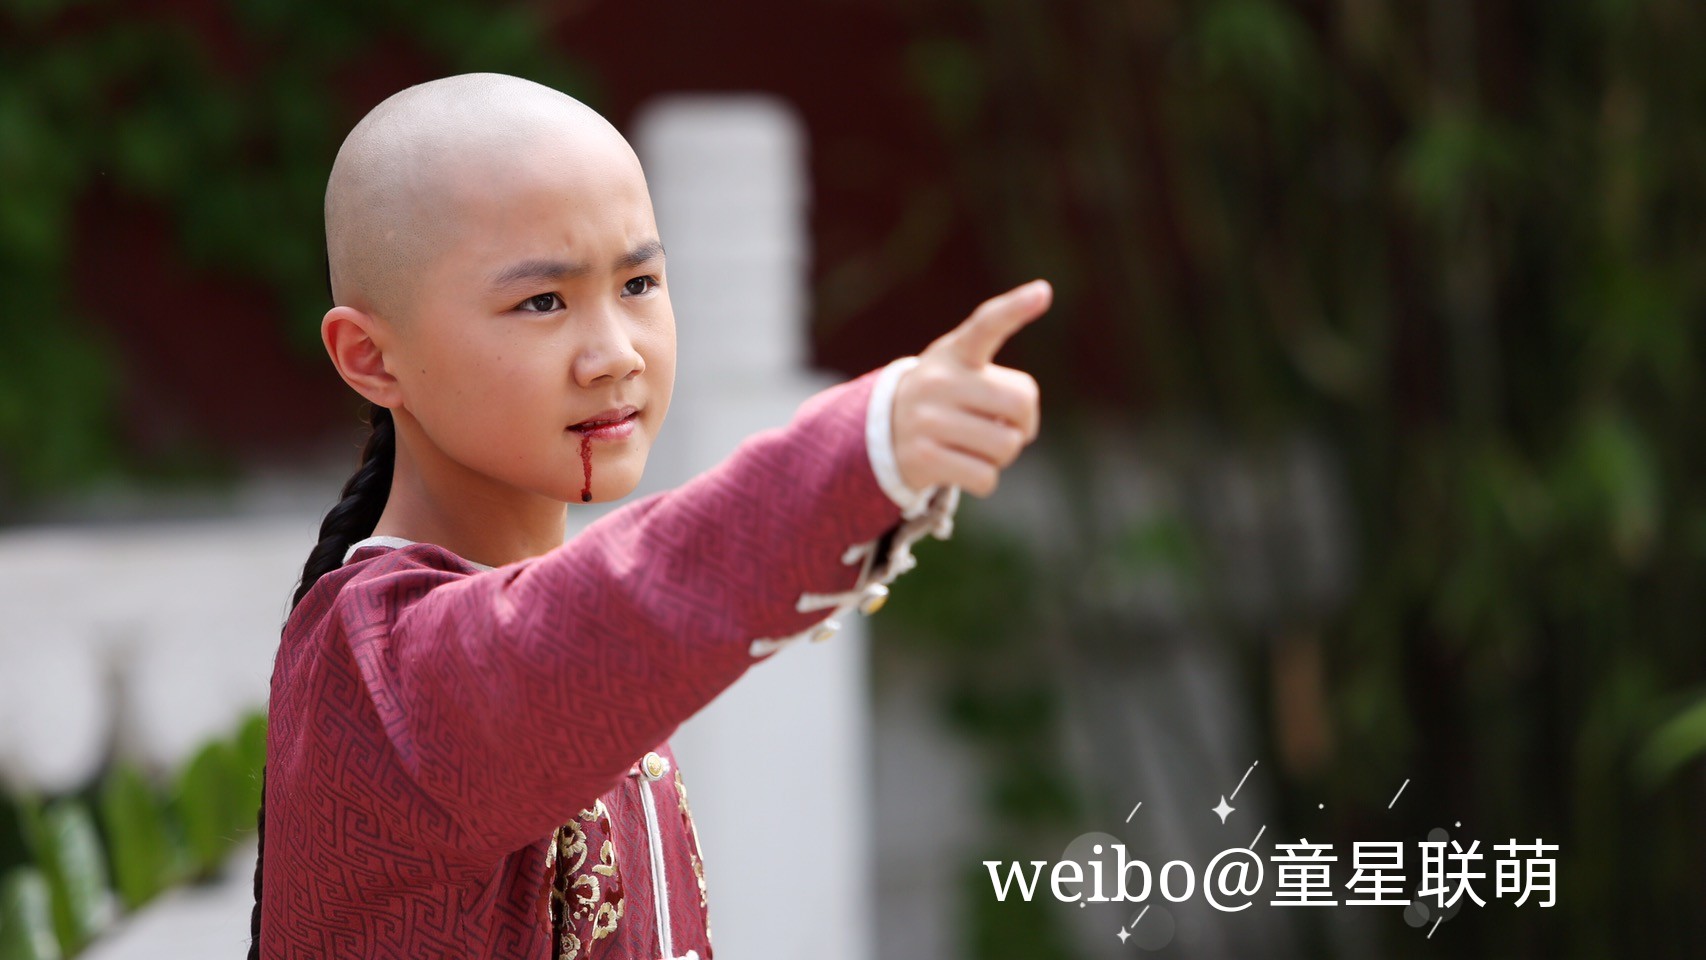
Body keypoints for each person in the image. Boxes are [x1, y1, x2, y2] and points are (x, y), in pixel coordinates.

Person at [249, 71, 1049, 959]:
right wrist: (863, 455)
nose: (615, 355)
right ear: (370, 357)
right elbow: (605, 613)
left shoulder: (554, 633)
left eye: (638, 283)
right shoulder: (376, 665)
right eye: (542, 301)